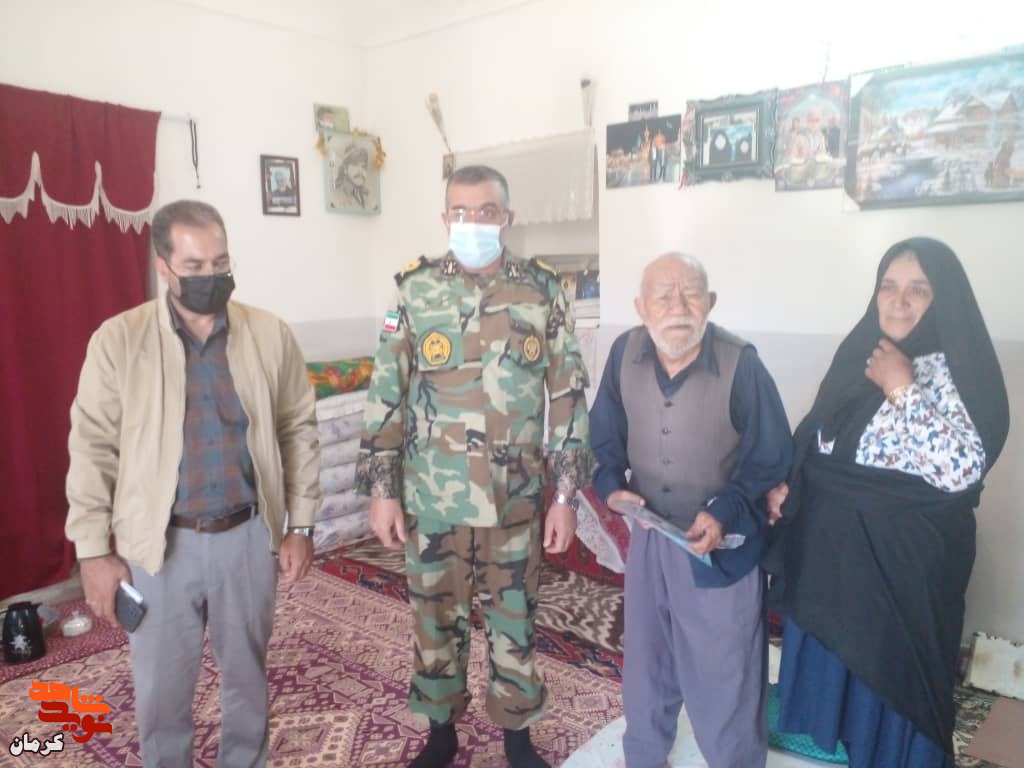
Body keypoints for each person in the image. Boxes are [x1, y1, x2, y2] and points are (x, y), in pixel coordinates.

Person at [65, 200, 322, 767]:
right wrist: (93, 551)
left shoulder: (268, 334)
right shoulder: (119, 341)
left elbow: (297, 429)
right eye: (195, 266)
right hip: (159, 548)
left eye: (220, 263)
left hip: (246, 538)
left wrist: (300, 524)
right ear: (163, 266)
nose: (212, 276)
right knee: (161, 691)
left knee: (247, 680)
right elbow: (92, 448)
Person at [356, 164, 591, 768]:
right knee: (435, 622)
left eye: (487, 211)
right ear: (445, 218)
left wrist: (565, 497)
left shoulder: (543, 290)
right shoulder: (415, 290)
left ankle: (518, 735)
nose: (474, 222)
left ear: (507, 218)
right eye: (461, 211)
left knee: (515, 621)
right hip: (433, 499)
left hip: (515, 498)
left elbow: (568, 395)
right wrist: (382, 491)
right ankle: (441, 733)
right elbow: (386, 392)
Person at [765, 238, 1010, 768]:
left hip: (903, 582)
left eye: (918, 289)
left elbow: (962, 471)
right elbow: (817, 439)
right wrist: (791, 484)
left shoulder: (960, 368)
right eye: (888, 287)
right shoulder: (862, 353)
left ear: (942, 299)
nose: (899, 301)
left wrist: (903, 389)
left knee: (897, 711)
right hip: (840, 577)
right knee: (853, 714)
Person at [589, 253, 793, 768]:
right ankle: (645, 756)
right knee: (647, 660)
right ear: (641, 306)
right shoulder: (624, 354)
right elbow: (605, 436)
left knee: (725, 673)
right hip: (650, 538)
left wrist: (725, 509)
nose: (677, 306)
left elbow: (771, 455)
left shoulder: (741, 363)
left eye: (691, 293)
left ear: (711, 302)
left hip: (721, 547)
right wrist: (611, 487)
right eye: (662, 295)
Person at [330, 143, 376, 212]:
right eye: (355, 165)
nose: (360, 171)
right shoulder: (335, 196)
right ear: (345, 169)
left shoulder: (368, 196)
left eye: (363, 167)